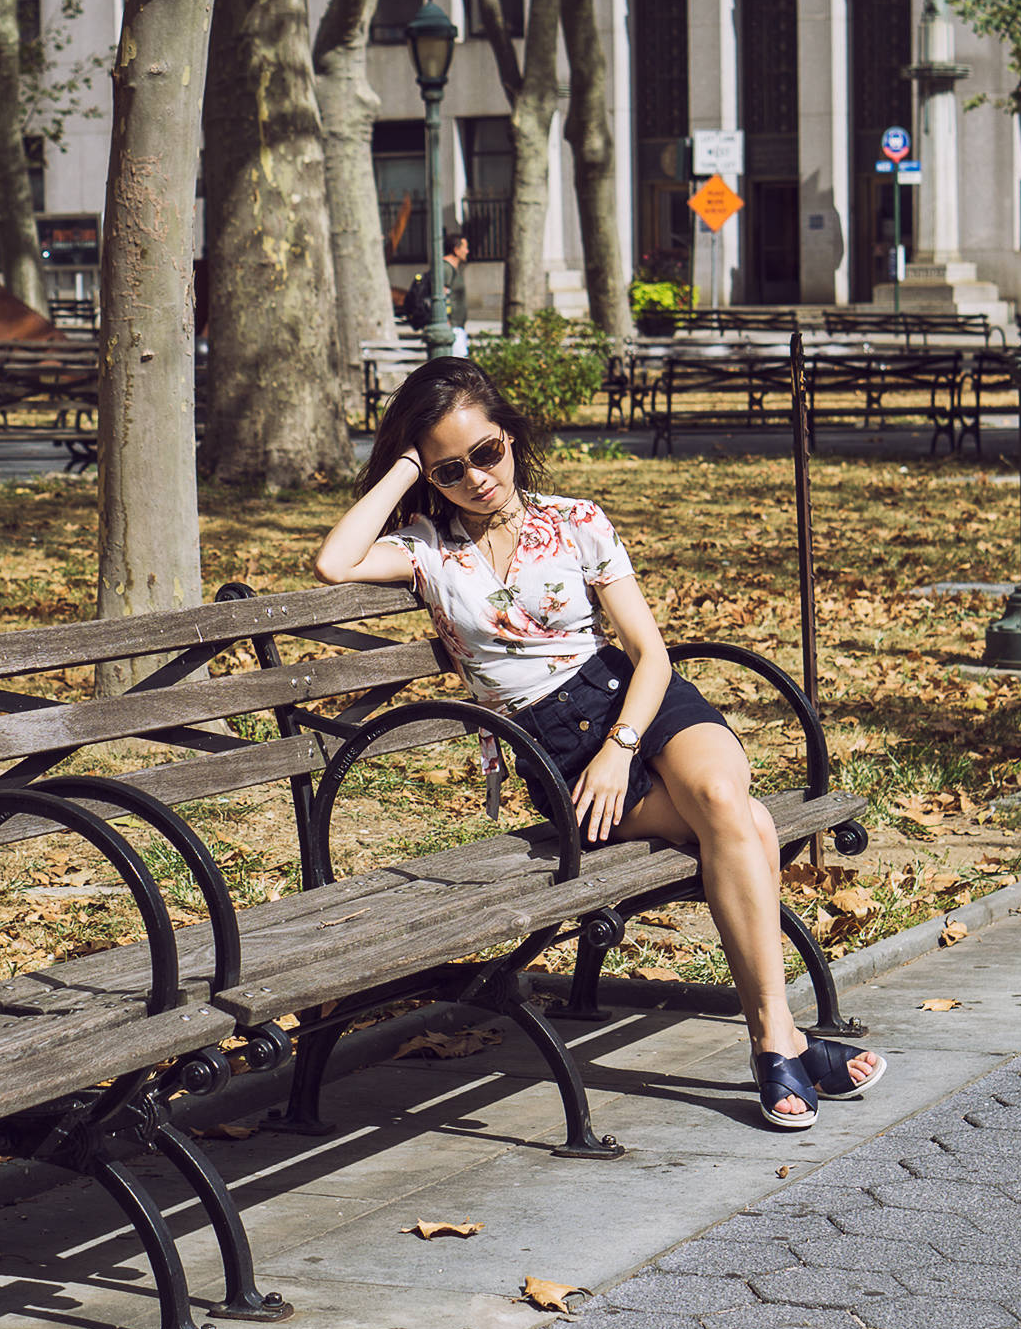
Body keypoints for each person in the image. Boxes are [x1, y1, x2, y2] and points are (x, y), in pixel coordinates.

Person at [315, 357, 885, 1132]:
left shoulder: (577, 521)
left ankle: (769, 1041)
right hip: (555, 747)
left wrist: (622, 745)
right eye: (451, 471)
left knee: (724, 797)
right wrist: (410, 464)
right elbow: (334, 560)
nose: (477, 478)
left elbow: (652, 655)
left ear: (512, 438)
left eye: (487, 452)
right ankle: (784, 1038)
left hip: (636, 701)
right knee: (743, 823)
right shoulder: (426, 553)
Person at [443, 230, 469, 357]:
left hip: (456, 326)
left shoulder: (452, 269)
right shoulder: (446, 269)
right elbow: (442, 295)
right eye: (465, 248)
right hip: (452, 327)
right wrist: (446, 321)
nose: (467, 251)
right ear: (456, 250)